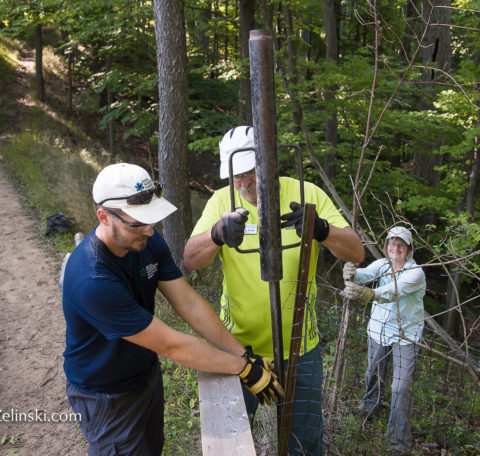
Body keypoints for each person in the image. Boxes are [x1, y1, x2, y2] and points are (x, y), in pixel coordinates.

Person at [62, 162, 283, 456]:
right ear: (104, 216)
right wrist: (244, 370)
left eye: (151, 219)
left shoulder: (146, 242)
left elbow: (188, 303)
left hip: (145, 374)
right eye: (138, 222)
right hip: (106, 395)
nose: (151, 231)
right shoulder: (92, 279)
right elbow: (171, 344)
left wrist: (243, 355)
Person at [183, 126, 364, 456]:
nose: (244, 184)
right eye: (235, 176)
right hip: (239, 347)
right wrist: (216, 233)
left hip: (300, 347)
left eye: (250, 172)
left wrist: (321, 229)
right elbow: (190, 259)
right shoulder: (223, 200)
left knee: (304, 442)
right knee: (231, 441)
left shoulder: (305, 192)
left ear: (268, 162)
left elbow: (356, 252)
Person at [342, 226, 426, 455]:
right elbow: (364, 275)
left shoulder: (415, 273)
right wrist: (350, 272)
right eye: (392, 243)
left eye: (401, 245)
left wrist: (367, 294)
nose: (395, 248)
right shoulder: (382, 265)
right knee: (373, 373)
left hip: (406, 335)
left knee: (401, 386)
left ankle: (398, 442)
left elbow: (392, 291)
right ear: (387, 244)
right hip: (379, 329)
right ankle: (370, 409)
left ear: (408, 249)